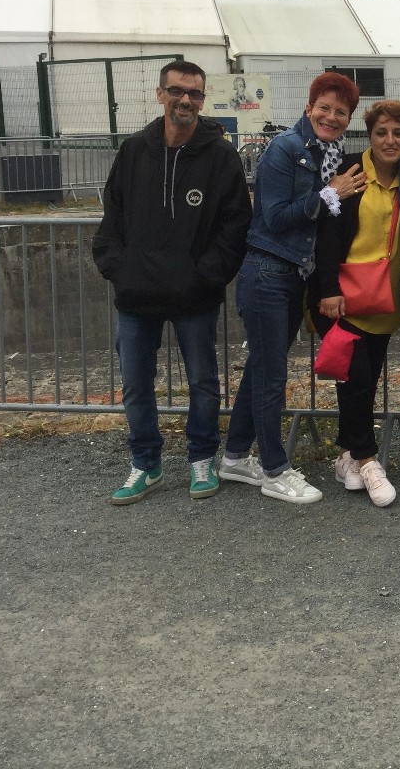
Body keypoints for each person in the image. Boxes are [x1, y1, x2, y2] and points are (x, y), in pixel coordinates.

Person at [93, 60, 251, 505]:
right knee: (135, 384)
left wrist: (206, 276)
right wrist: (118, 267)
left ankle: (202, 458)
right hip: (136, 294)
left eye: (195, 94)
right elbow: (113, 216)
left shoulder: (220, 156)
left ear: (203, 100)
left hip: (194, 297)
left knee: (203, 382)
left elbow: (235, 224)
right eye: (177, 91)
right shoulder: (134, 151)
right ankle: (146, 463)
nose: (186, 100)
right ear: (160, 93)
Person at [219, 72, 368, 504]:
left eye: (341, 111)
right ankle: (274, 469)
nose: (331, 116)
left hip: (290, 276)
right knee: (270, 376)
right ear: (309, 107)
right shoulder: (286, 148)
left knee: (260, 369)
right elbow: (277, 216)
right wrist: (330, 192)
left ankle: (233, 457)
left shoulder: (328, 152)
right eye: (324, 107)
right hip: (267, 271)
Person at [310, 100, 400, 508]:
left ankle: (345, 455)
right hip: (343, 297)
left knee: (363, 382)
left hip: (385, 299)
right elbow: (326, 235)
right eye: (381, 132)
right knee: (354, 376)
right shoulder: (350, 173)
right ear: (369, 136)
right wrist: (327, 288)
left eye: (398, 133)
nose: (390, 140)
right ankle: (369, 461)